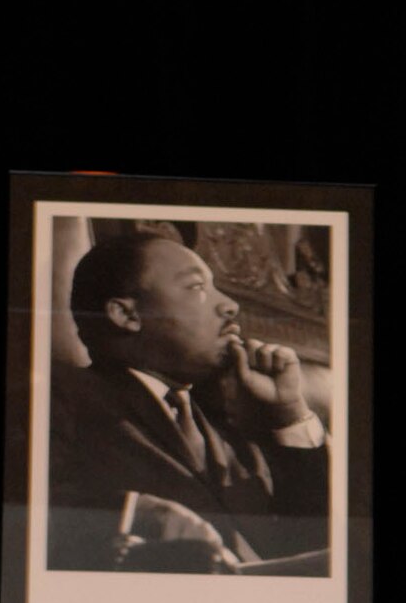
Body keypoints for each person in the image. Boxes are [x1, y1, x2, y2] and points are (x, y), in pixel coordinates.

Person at [49, 230, 330, 575]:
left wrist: (289, 412)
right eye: (197, 287)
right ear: (126, 315)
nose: (230, 305)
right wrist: (136, 512)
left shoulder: (233, 426)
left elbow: (317, 536)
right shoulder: (62, 394)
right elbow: (26, 504)